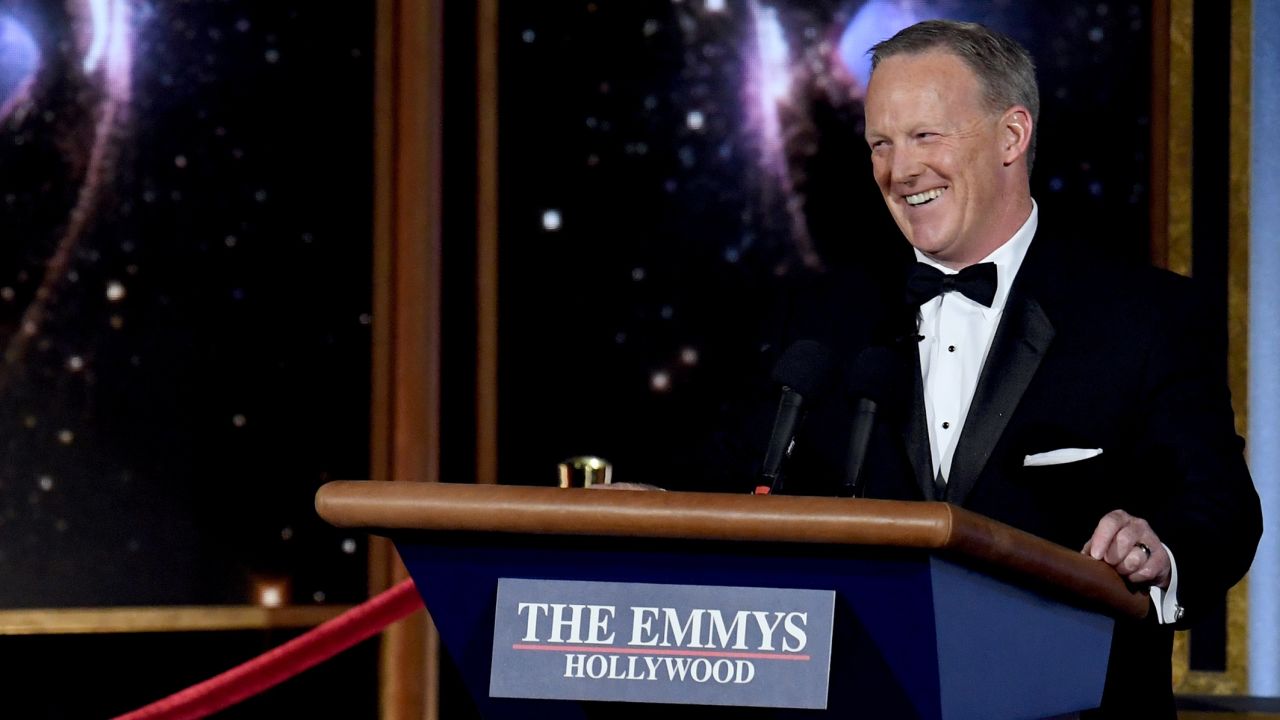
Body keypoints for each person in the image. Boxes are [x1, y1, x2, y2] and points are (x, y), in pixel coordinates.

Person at [712, 19, 1261, 718]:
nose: (898, 169)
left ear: (1011, 136)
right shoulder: (820, 324)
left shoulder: (1146, 317)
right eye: (880, 143)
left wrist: (1161, 548)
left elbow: (1219, 509)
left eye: (924, 136)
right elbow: (727, 477)